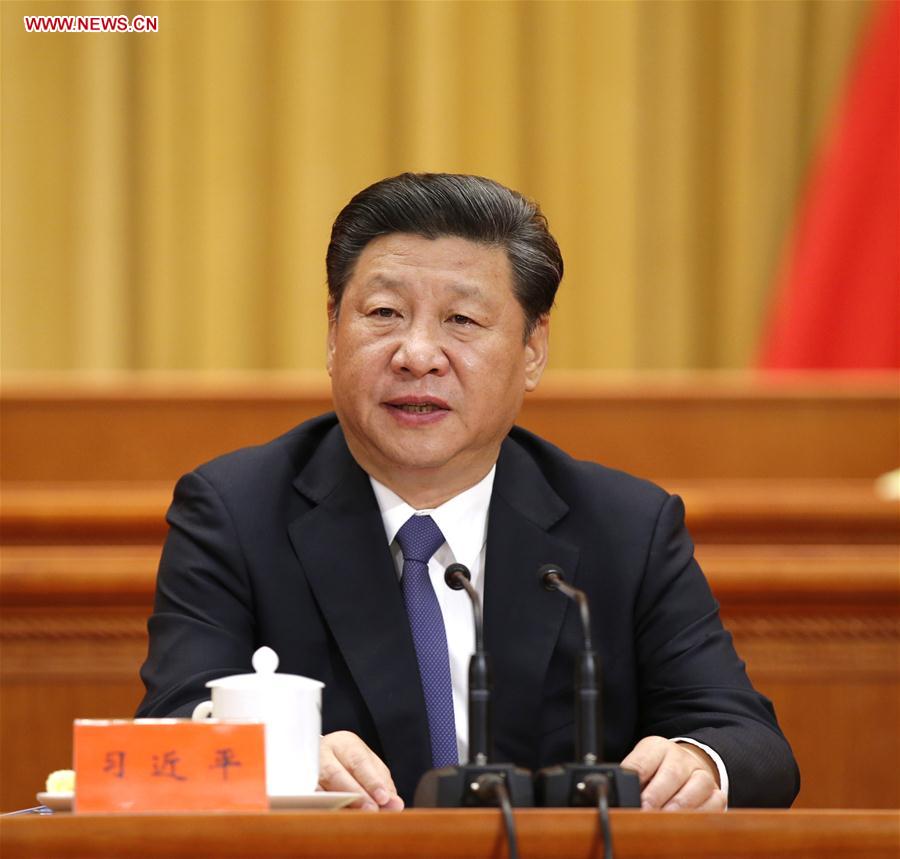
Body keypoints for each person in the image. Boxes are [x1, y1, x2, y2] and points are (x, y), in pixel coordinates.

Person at [137, 173, 799, 811]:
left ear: (533, 348)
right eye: (384, 313)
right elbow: (164, 736)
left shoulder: (625, 526)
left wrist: (696, 762)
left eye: (461, 319)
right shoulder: (234, 512)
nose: (417, 353)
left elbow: (752, 744)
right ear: (333, 330)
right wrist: (278, 756)